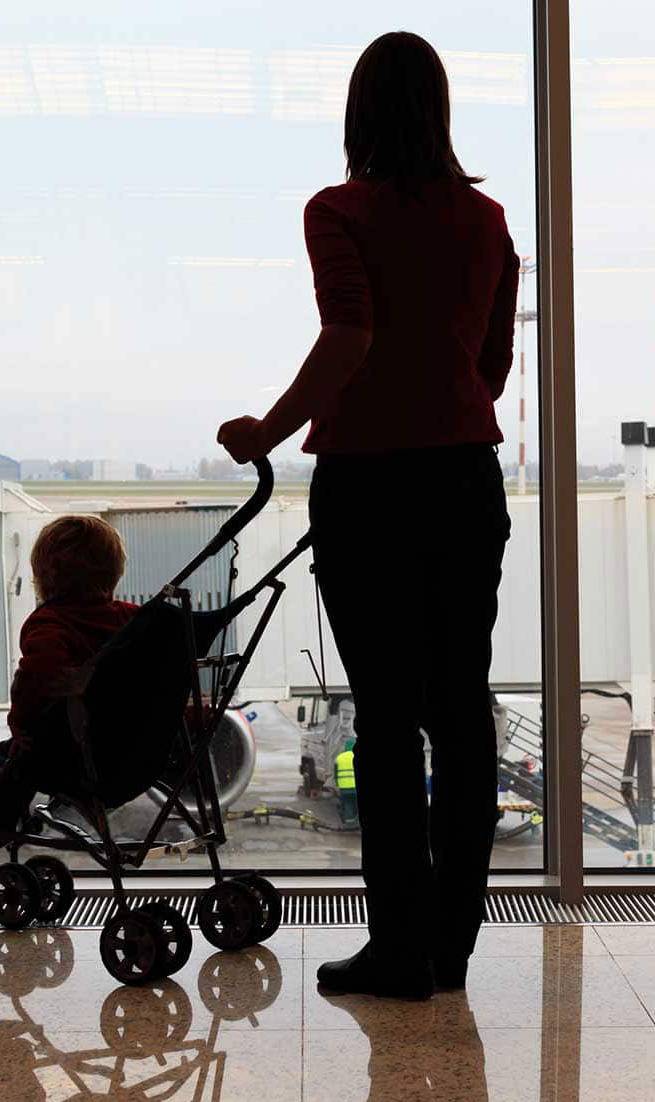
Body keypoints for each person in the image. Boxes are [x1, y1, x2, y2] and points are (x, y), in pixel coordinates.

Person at [218, 30, 517, 1001]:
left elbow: (350, 332)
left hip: (373, 489)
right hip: (467, 478)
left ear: (358, 114)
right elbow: (492, 371)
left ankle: (399, 949)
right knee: (461, 712)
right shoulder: (488, 221)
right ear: (439, 110)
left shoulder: (337, 211)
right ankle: (452, 947)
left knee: (387, 721)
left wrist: (267, 428)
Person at [0, 515, 139, 865]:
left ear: (45, 578)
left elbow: (37, 684)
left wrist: (21, 727)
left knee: (19, 759)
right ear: (115, 572)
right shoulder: (135, 621)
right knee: (15, 756)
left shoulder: (51, 624)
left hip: (83, 761)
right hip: (132, 755)